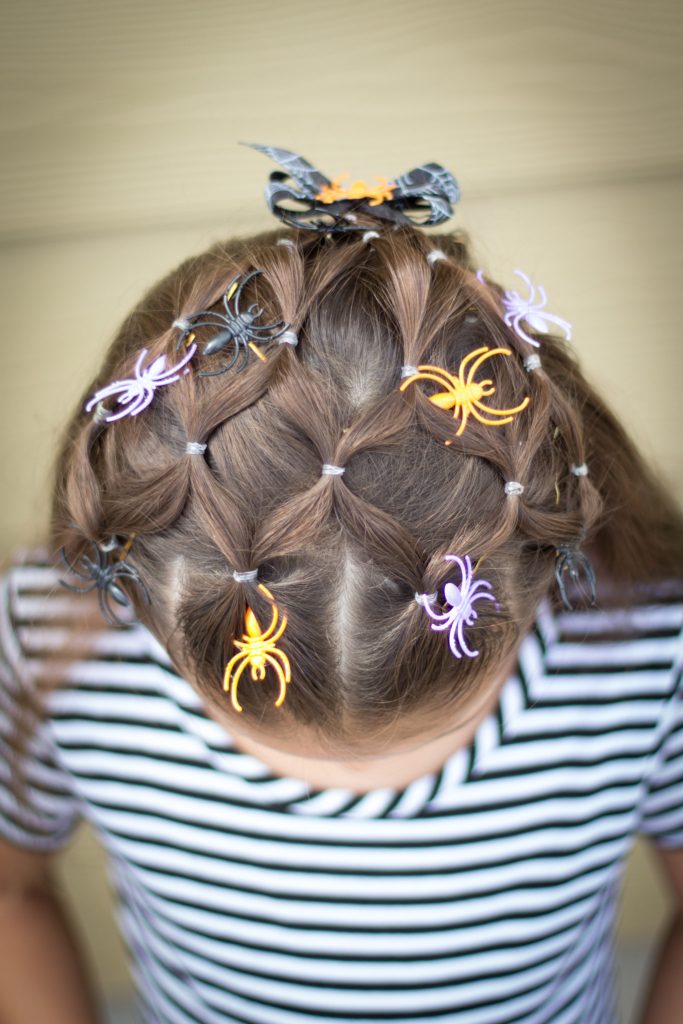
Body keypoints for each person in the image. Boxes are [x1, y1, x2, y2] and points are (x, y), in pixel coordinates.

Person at [0, 144, 681, 1024]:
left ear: (539, 577)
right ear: (142, 599)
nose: (362, 786)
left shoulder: (647, 645)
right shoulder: (58, 641)